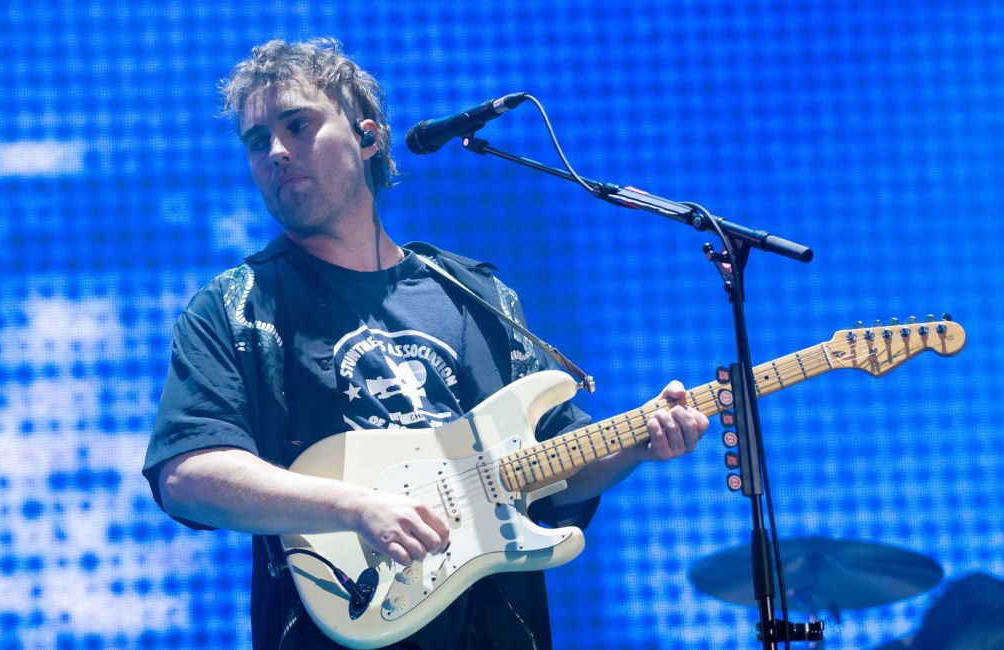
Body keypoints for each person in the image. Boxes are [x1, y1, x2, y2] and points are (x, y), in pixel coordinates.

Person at [143, 38, 709, 649]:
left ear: (367, 137)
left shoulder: (478, 295)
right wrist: (355, 508)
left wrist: (636, 445)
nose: (276, 151)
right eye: (258, 141)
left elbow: (551, 466)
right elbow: (188, 473)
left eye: (298, 125)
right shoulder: (235, 306)